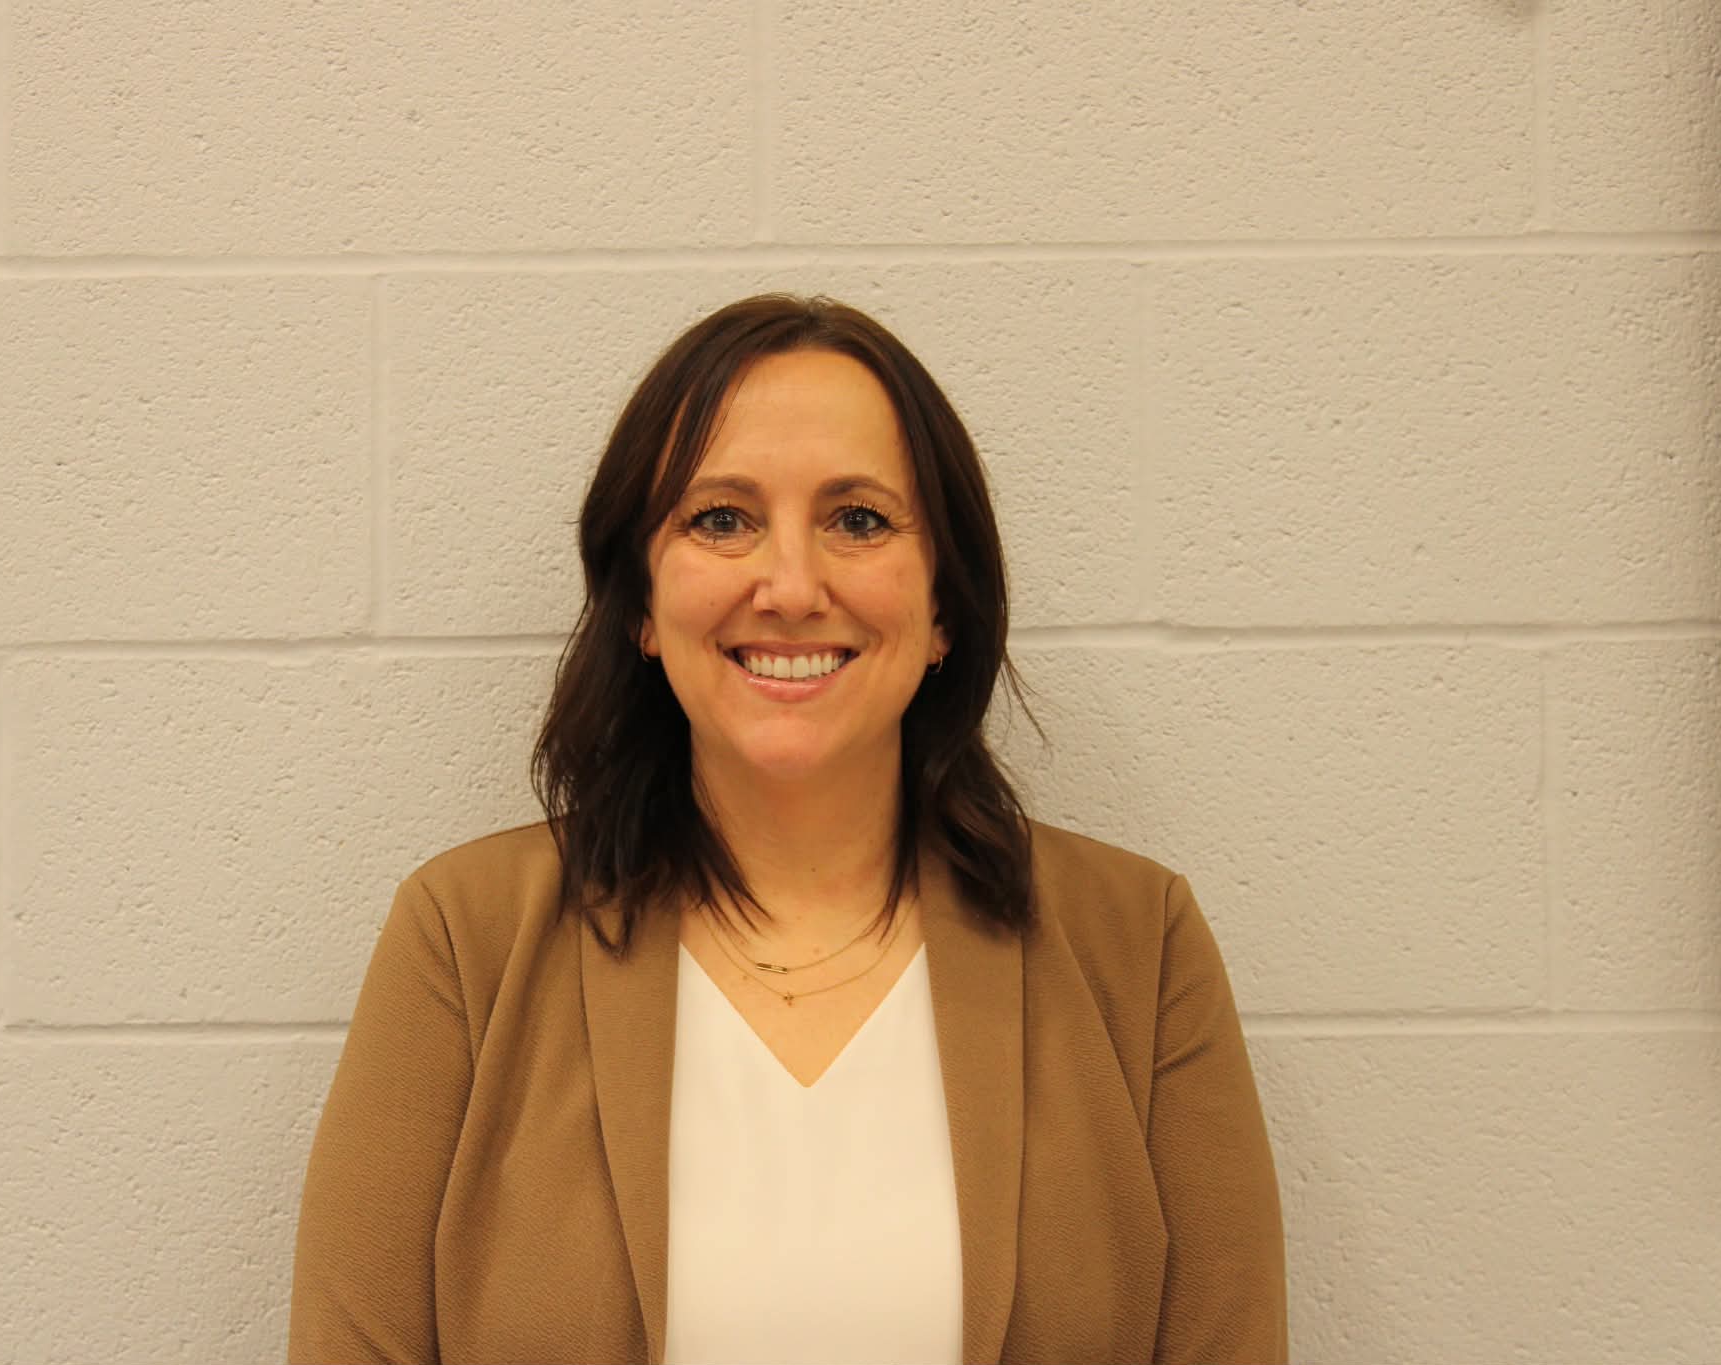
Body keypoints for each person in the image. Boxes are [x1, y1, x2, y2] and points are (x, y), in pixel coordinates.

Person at [287, 293, 1286, 1365]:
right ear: (641, 602)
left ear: (945, 607)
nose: (792, 588)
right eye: (721, 519)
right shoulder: (465, 941)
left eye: (858, 520)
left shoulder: (1136, 946)